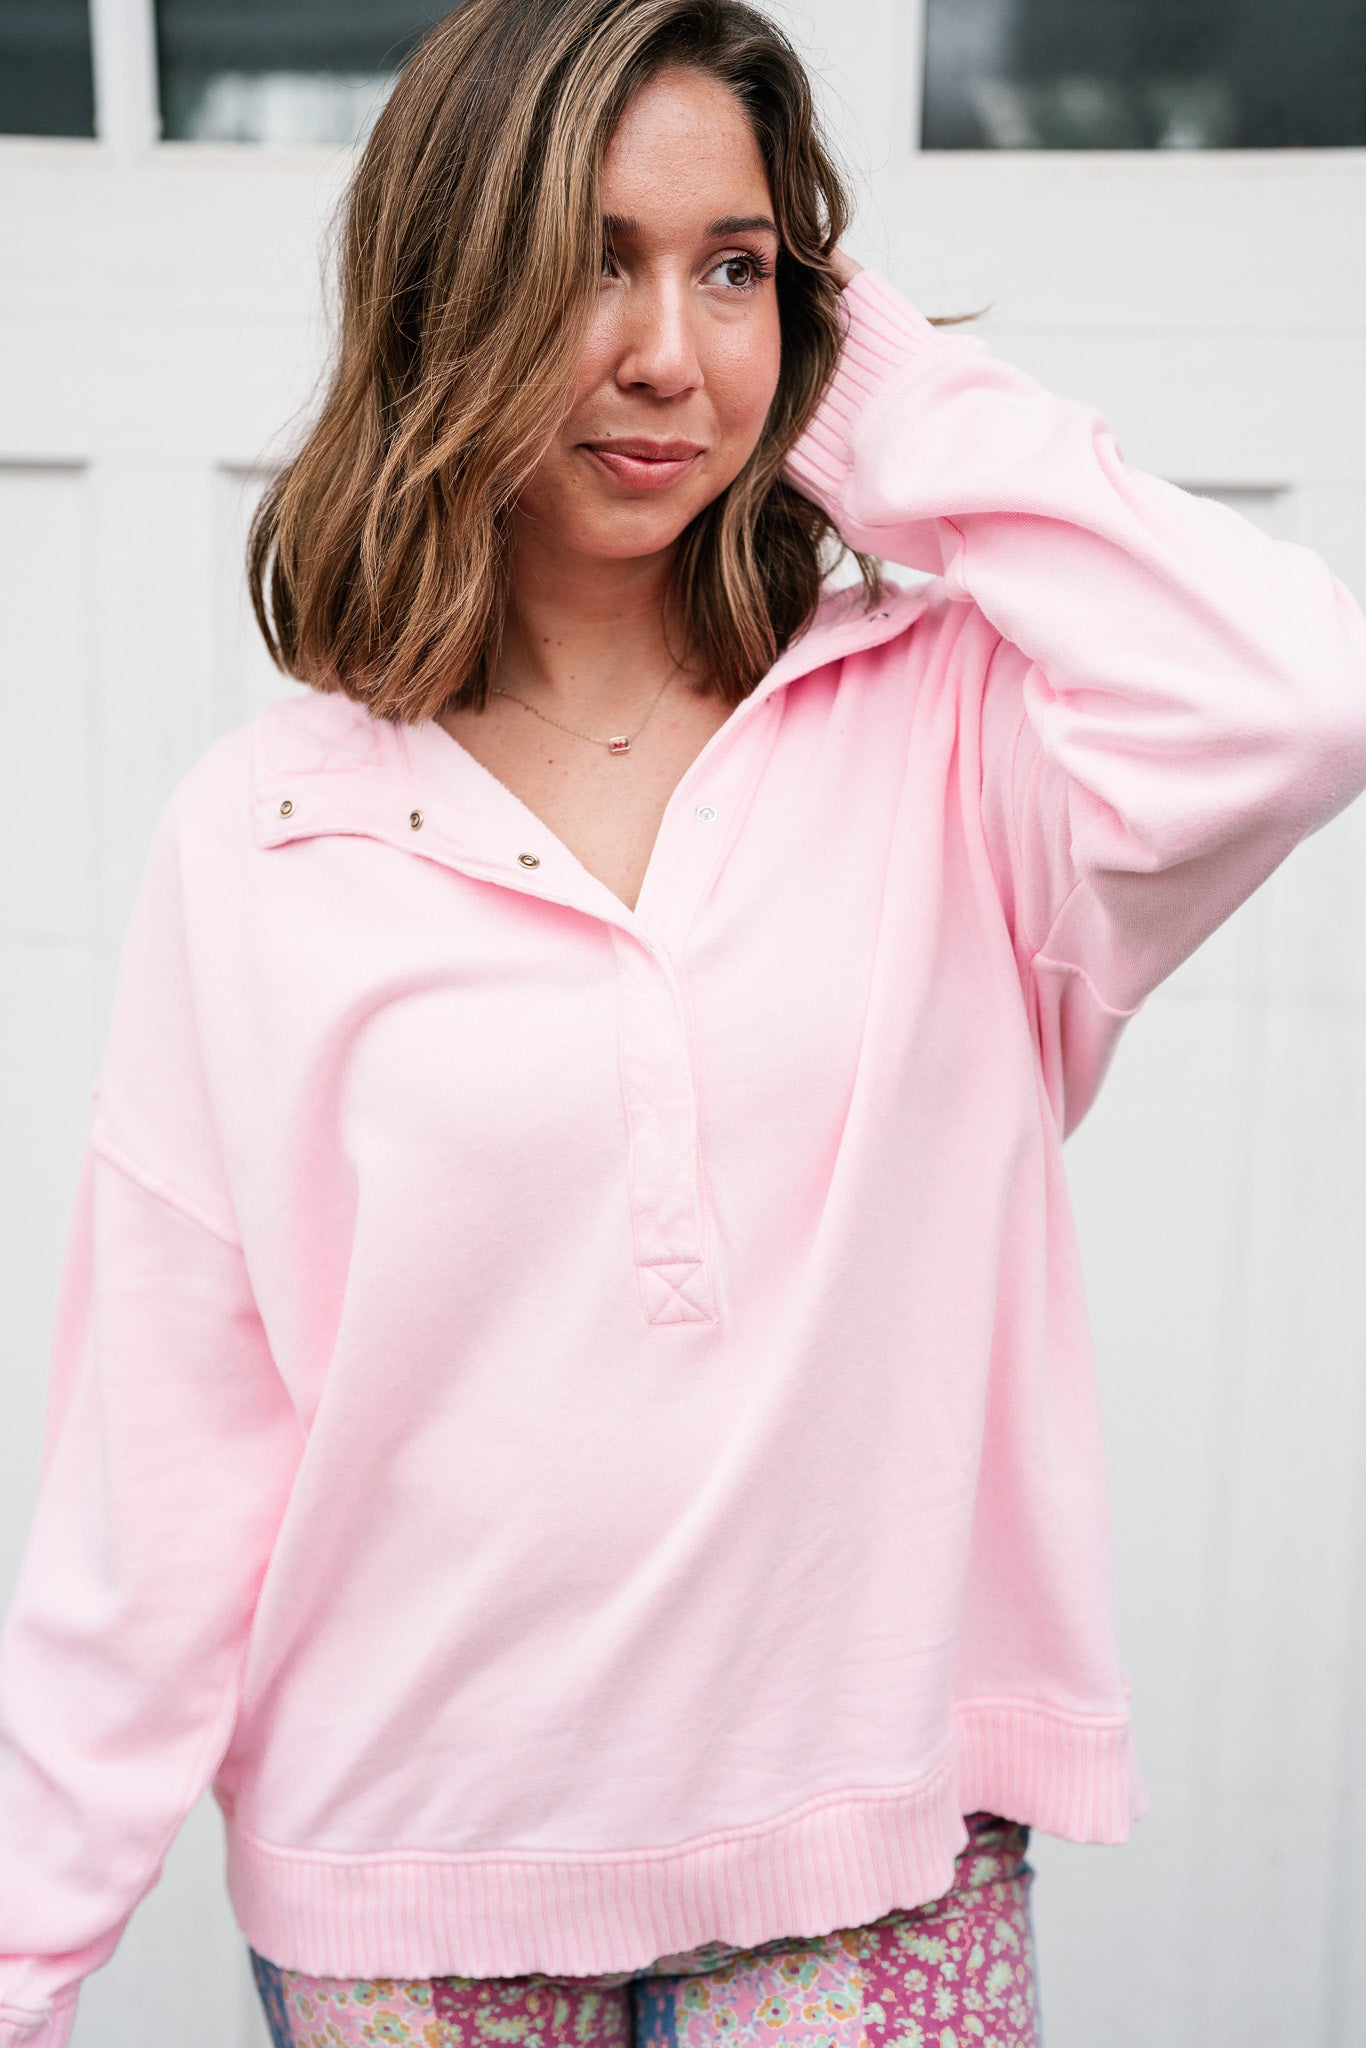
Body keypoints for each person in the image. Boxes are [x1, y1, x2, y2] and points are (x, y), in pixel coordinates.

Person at [3, 0, 1366, 2042]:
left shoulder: (953, 731)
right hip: (411, 1889)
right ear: (450, 293)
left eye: (732, 269)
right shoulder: (263, 835)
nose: (668, 355)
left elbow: (1292, 693)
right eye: (589, 265)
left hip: (870, 1864)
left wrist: (872, 394)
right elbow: (160, 1473)